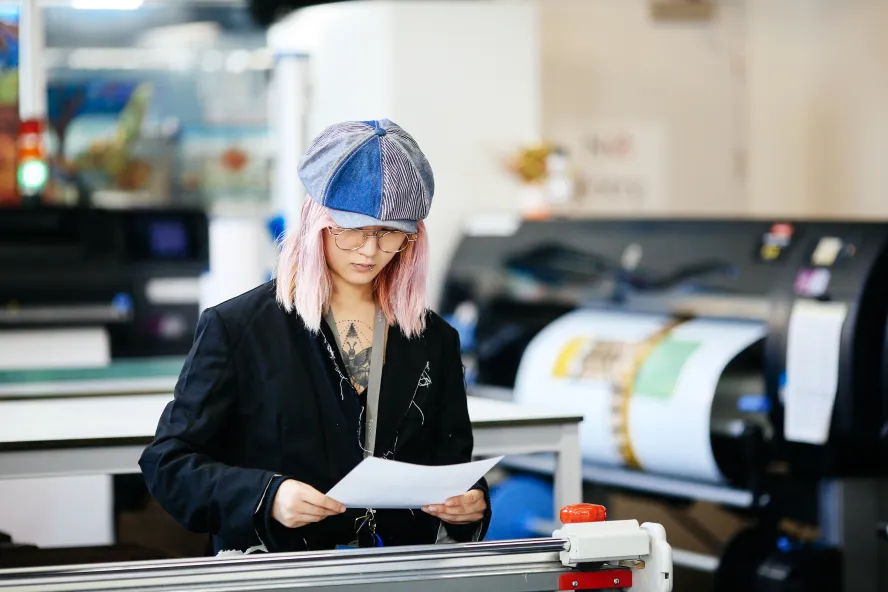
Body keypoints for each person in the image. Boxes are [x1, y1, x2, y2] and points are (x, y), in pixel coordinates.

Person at [139, 119, 491, 555]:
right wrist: (267, 497)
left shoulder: (434, 338)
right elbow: (168, 463)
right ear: (316, 221)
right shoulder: (238, 329)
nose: (369, 250)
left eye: (391, 234)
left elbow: (451, 462)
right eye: (351, 230)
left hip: (397, 572)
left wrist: (471, 503)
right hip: (277, 572)